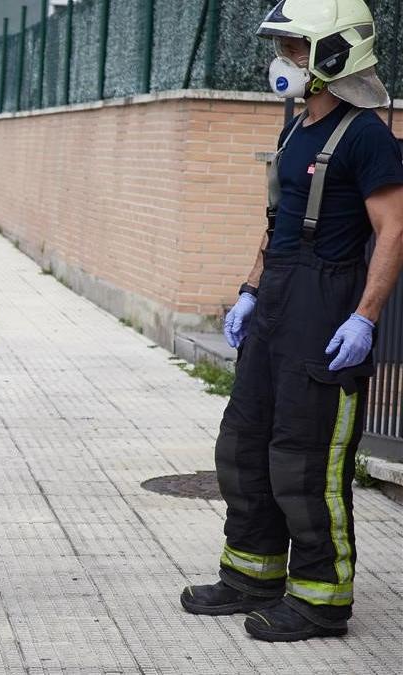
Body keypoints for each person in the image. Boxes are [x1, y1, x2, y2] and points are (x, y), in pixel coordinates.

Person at [181, 0, 403, 643]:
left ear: (336, 54)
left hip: (327, 306)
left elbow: (392, 230)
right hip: (275, 305)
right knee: (244, 448)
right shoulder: (293, 128)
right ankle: (251, 575)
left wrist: (365, 317)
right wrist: (250, 290)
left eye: (297, 48)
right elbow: (276, 223)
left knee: (305, 463)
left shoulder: (367, 135)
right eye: (284, 47)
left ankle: (321, 599)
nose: (286, 61)